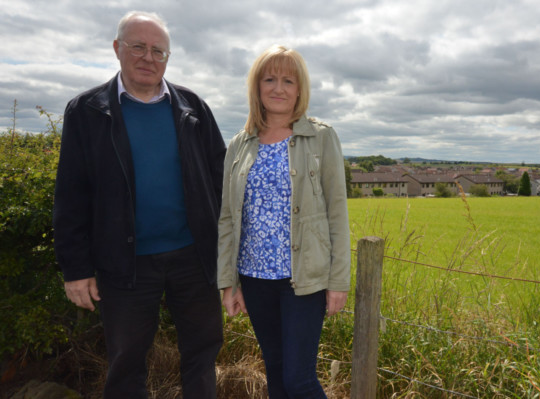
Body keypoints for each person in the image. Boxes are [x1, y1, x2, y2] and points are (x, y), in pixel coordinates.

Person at [53, 11, 226, 399]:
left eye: (158, 51)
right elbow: (71, 194)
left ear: (168, 58)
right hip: (124, 263)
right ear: (117, 49)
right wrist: (76, 268)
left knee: (202, 353)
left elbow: (221, 179)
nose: (149, 58)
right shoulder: (87, 111)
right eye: (138, 47)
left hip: (194, 259)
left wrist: (228, 251)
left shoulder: (193, 107)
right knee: (126, 361)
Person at [217, 44, 351, 398]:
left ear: (300, 89)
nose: (278, 88)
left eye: (288, 80)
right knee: (275, 375)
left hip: (303, 279)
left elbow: (337, 213)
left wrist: (339, 281)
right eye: (270, 79)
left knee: (299, 379)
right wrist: (228, 282)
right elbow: (228, 218)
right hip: (254, 277)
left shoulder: (321, 137)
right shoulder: (239, 145)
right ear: (257, 87)